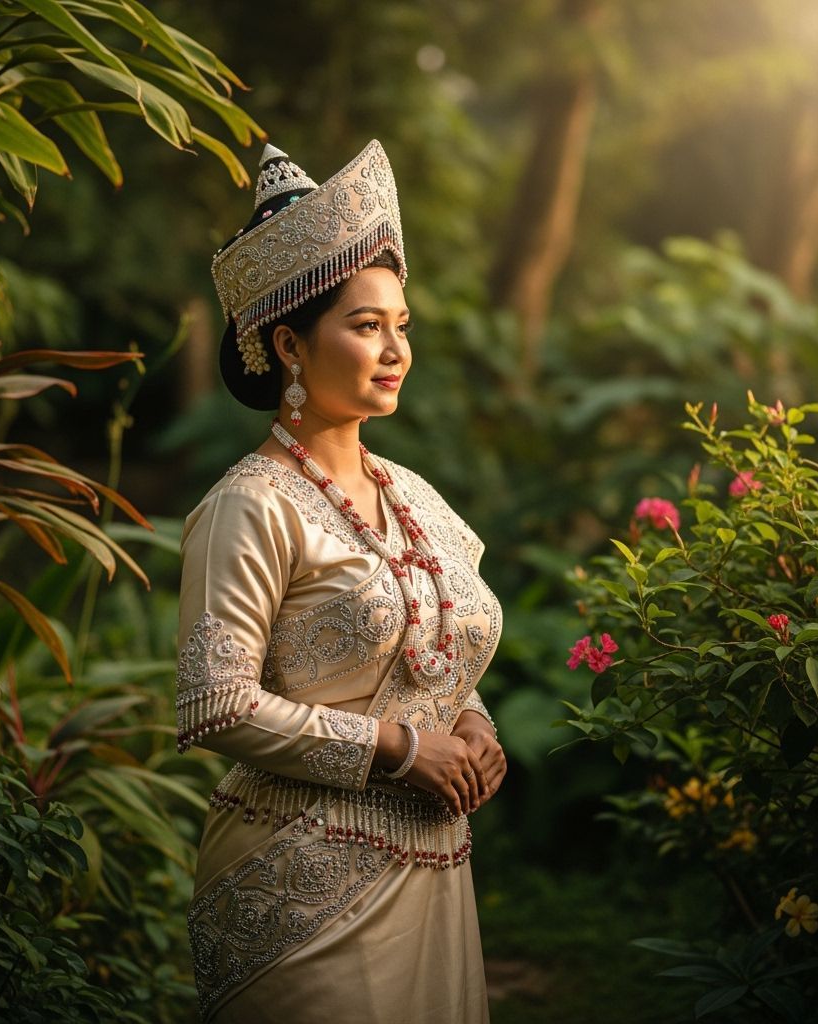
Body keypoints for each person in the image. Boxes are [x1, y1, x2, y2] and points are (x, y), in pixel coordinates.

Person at [177, 139, 506, 1023]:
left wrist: (471, 726)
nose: (394, 348)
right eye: (366, 326)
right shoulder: (250, 506)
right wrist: (400, 752)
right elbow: (213, 704)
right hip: (298, 886)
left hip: (435, 869)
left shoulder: (416, 497)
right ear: (289, 342)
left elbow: (440, 653)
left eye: (402, 324)